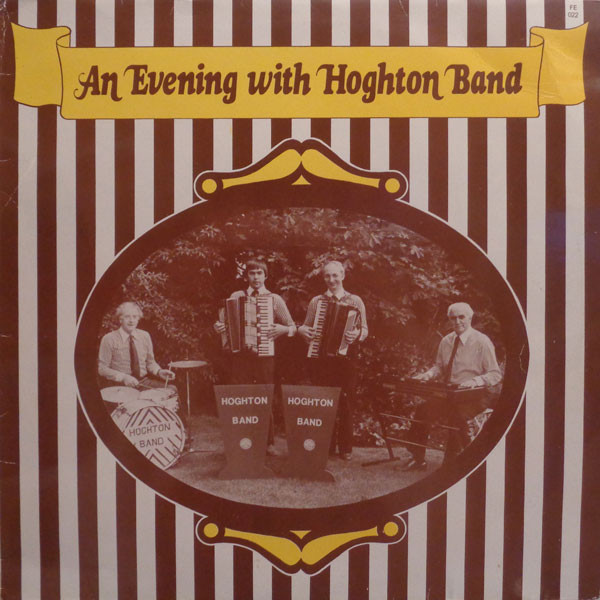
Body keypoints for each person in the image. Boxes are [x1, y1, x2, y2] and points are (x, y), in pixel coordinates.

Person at [401, 301, 502, 470]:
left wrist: (474, 381)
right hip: (450, 394)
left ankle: (453, 464)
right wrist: (428, 375)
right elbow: (439, 367)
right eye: (453, 318)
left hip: (475, 395)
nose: (457, 321)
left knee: (458, 416)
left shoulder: (482, 342)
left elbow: (495, 374)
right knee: (423, 411)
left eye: (461, 317)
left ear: (470, 317)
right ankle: (417, 459)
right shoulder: (446, 341)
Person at [214, 258, 296, 452]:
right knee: (240, 397)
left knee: (264, 396)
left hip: (265, 356)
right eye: (252, 273)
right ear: (246, 276)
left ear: (265, 276)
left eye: (260, 273)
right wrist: (218, 327)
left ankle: (268, 444)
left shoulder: (274, 299)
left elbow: (293, 326)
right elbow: (224, 323)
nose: (256, 277)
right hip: (240, 356)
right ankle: (241, 441)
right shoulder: (236, 296)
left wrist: (284, 330)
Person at [298, 260, 368, 460]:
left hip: (347, 360)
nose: (331, 280)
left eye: (335, 275)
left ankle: (345, 448)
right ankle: (325, 446)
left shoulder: (355, 300)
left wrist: (357, 334)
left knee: (346, 403)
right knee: (324, 402)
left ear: (343, 276)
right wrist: (304, 332)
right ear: (324, 278)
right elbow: (306, 327)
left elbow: (365, 329)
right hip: (321, 361)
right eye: (327, 276)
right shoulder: (316, 302)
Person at [98, 301, 176, 391]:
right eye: (127, 317)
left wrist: (159, 371)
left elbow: (150, 362)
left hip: (142, 382)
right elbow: (102, 369)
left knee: (171, 390)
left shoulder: (145, 336)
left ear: (138, 319)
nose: (131, 320)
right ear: (120, 319)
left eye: (134, 317)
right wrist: (124, 377)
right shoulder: (109, 339)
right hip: (120, 386)